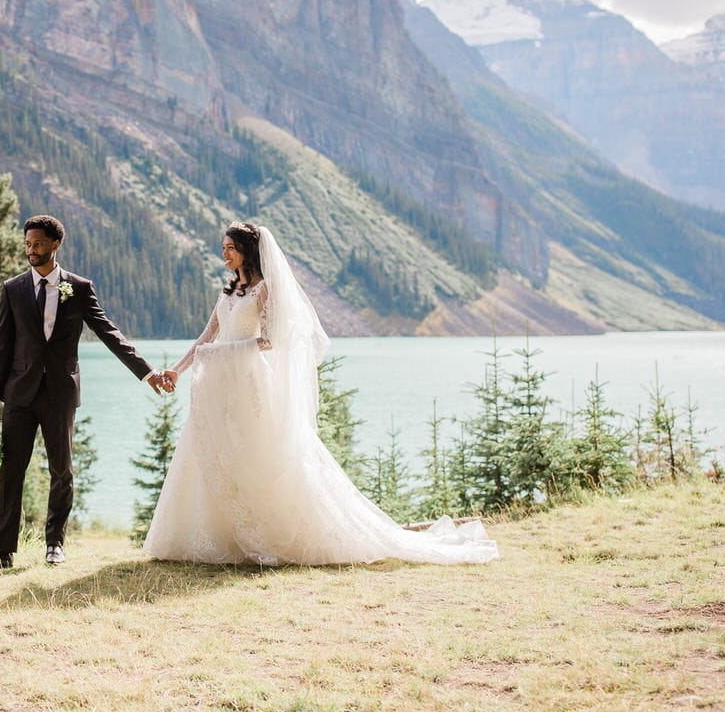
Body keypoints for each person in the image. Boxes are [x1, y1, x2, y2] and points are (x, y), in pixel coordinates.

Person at [143, 221, 498, 566]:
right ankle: (224, 538)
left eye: (230, 249)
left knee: (257, 458)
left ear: (247, 251)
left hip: (249, 384)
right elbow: (208, 334)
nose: (224, 255)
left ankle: (267, 535)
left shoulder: (264, 289)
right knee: (217, 456)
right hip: (221, 386)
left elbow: (269, 340)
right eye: (223, 249)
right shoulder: (230, 289)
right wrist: (177, 368)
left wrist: (223, 354)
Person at [0, 215, 174, 573]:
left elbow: (110, 333)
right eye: (28, 244)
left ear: (55, 244)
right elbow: (3, 348)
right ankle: (2, 552)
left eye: (38, 244)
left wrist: (147, 372)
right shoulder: (12, 289)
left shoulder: (78, 287)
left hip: (60, 394)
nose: (31, 250)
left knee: (63, 471)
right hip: (19, 395)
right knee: (11, 472)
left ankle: (54, 545)